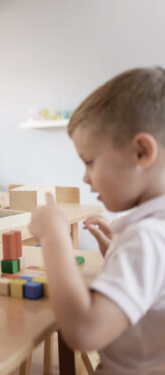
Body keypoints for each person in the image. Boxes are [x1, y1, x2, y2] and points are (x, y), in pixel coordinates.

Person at [28, 67, 165, 374]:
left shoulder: (148, 238)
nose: (85, 178)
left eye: (89, 161)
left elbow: (84, 332)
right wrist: (115, 252)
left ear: (142, 152)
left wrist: (54, 238)